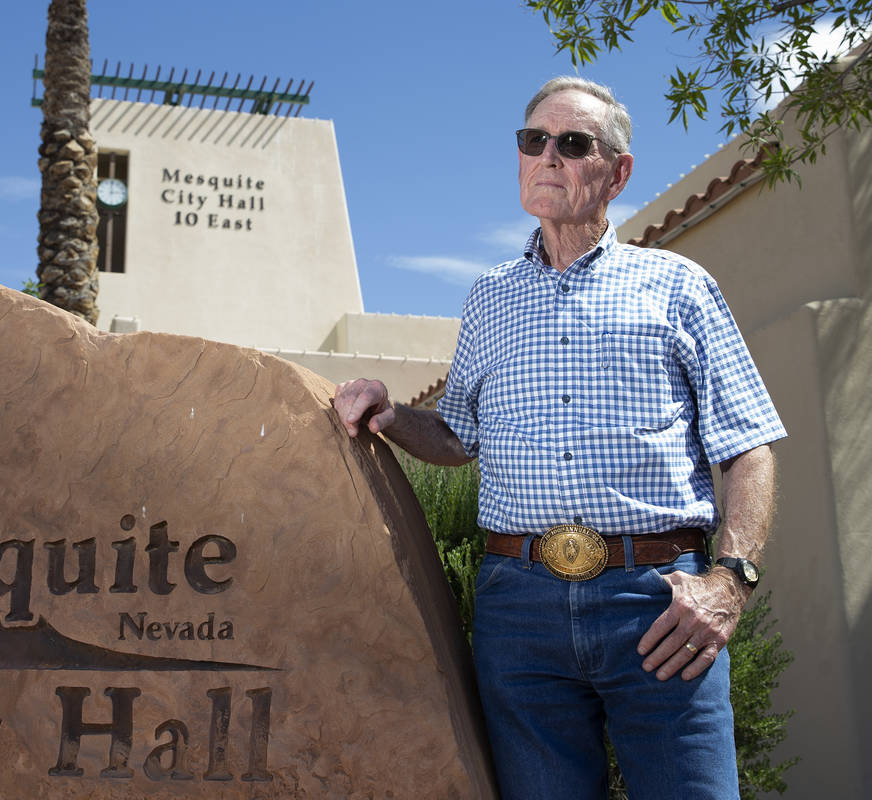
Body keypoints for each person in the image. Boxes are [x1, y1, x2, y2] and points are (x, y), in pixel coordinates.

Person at [333, 76, 786, 799]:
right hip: (520, 611)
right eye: (532, 140)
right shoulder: (488, 297)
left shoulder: (680, 287)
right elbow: (458, 435)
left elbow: (749, 445)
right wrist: (390, 414)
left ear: (617, 171)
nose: (547, 156)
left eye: (572, 144)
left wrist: (729, 582)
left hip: (660, 604)